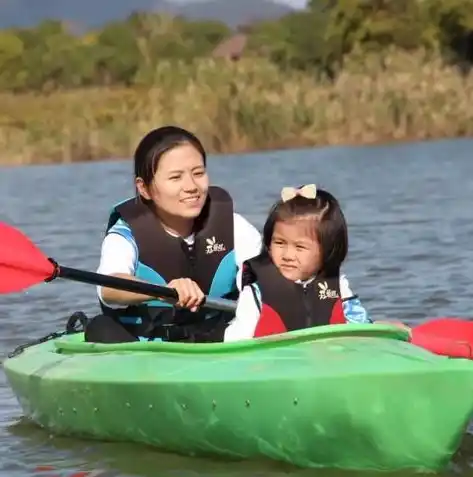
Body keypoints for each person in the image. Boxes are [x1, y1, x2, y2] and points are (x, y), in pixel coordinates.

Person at [85, 125, 261, 343]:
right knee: (101, 329)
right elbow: (109, 289)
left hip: (221, 338)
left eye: (198, 173)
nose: (191, 186)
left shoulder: (234, 226)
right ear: (144, 188)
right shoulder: (125, 235)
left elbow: (262, 278)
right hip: (149, 347)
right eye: (176, 177)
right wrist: (162, 291)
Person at [224, 183, 375, 342]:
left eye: (300, 246)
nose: (288, 255)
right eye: (280, 243)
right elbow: (235, 342)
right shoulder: (255, 293)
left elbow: (363, 328)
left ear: (328, 248)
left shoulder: (340, 287)